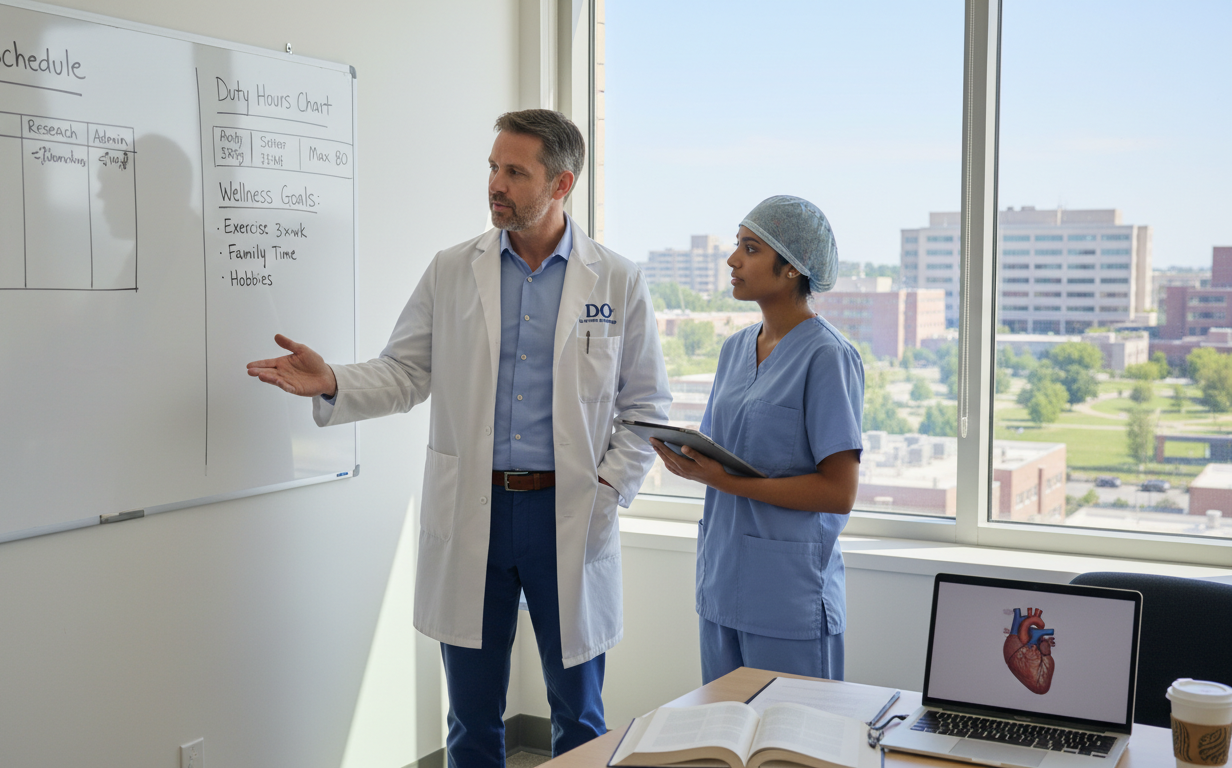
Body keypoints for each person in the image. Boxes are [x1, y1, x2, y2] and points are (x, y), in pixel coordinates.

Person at [246, 109, 671, 766]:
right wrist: (332, 378)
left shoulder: (615, 279)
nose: (495, 184)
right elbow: (406, 371)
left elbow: (644, 409)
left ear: (560, 186)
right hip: (479, 510)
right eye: (494, 168)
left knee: (580, 716)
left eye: (514, 172)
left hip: (570, 511)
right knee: (471, 719)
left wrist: (609, 487)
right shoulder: (452, 270)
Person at [649, 195, 862, 685]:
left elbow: (838, 492)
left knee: (790, 751)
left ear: (792, 268)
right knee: (721, 743)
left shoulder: (828, 357)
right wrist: (688, 456)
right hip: (723, 581)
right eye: (736, 246)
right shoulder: (735, 349)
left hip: (789, 596)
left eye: (750, 249)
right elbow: (726, 453)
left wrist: (727, 481)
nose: (732, 259)